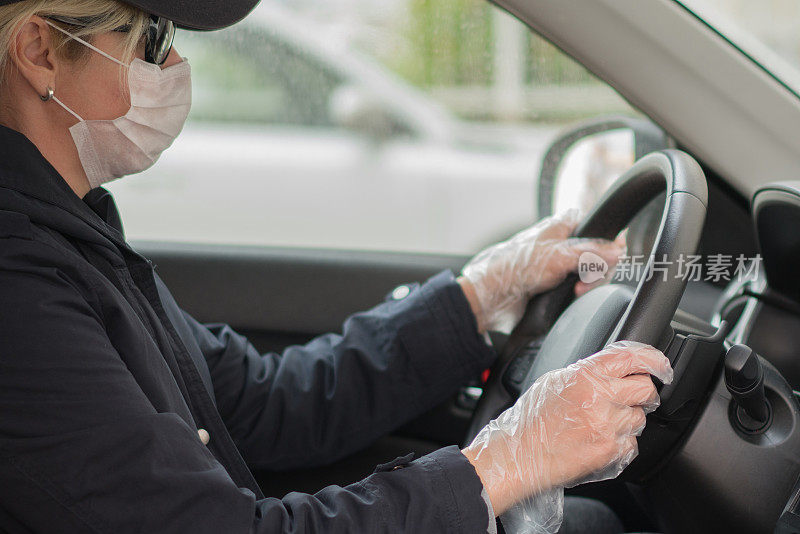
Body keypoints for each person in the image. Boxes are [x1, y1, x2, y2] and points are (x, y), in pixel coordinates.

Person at [0, 0, 673, 532]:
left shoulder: (73, 235)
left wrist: (479, 292)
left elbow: (263, 403)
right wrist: (500, 466)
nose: (174, 61)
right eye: (151, 39)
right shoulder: (21, 292)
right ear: (38, 52)